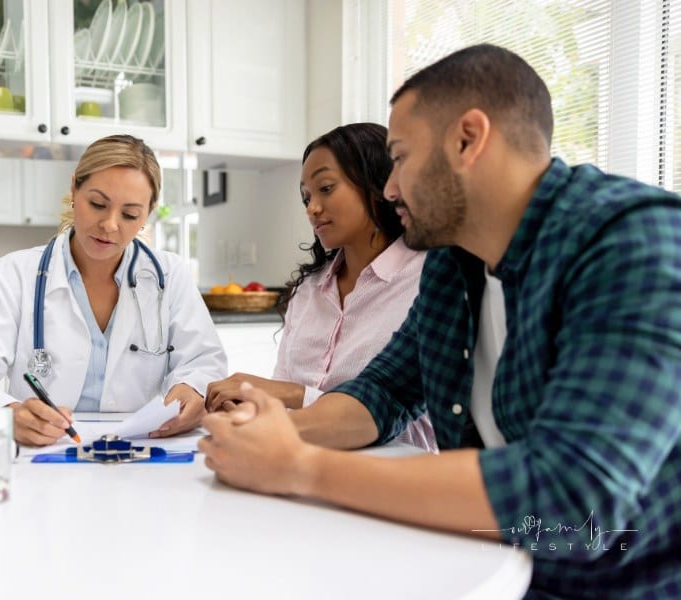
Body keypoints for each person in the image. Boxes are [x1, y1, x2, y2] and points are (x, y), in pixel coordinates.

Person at [198, 44, 681, 598]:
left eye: (400, 157)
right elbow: (383, 393)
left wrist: (300, 466)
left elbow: (576, 498)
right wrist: (265, 434)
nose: (389, 189)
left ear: (468, 139)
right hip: (482, 565)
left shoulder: (634, 242)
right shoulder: (455, 263)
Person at [0, 134, 226, 446]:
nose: (110, 224)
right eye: (97, 204)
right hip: (42, 454)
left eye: (130, 214)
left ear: (149, 212)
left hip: (140, 450)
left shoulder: (169, 275)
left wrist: (191, 389)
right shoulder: (11, 275)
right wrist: (8, 415)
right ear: (74, 189)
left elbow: (202, 362)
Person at [204, 123, 435, 451]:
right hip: (295, 460)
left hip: (393, 468)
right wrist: (252, 409)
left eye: (326, 188)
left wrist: (289, 396)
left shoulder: (428, 281)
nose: (312, 208)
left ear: (378, 184)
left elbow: (405, 426)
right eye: (306, 197)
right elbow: (282, 404)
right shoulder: (308, 290)